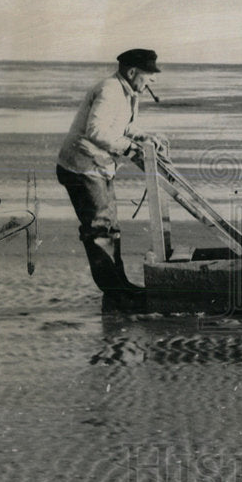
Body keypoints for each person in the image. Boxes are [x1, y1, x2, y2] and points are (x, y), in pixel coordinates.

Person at [56, 48, 165, 297]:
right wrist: (130, 149)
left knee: (110, 228)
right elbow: (96, 130)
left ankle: (119, 286)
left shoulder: (127, 92)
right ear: (132, 71)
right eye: (150, 74)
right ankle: (116, 293)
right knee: (100, 230)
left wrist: (144, 136)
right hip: (82, 168)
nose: (153, 80)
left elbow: (123, 126)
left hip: (98, 166)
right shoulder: (109, 91)